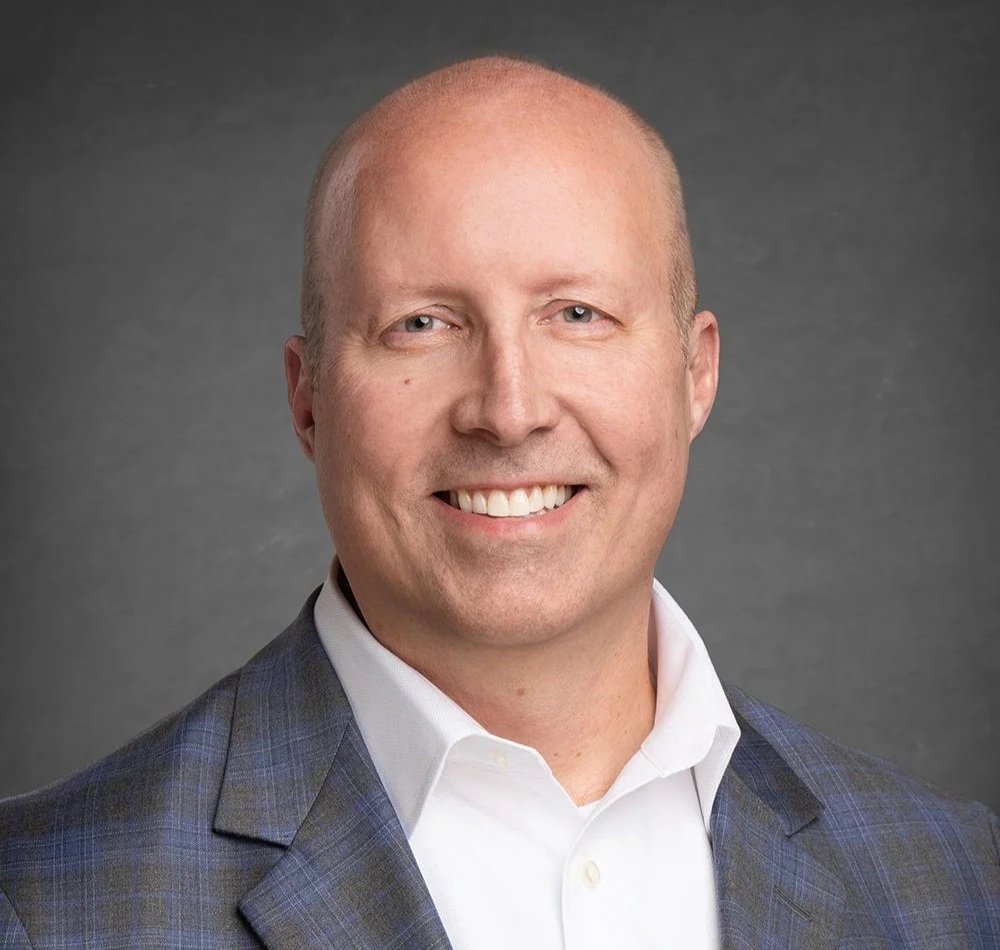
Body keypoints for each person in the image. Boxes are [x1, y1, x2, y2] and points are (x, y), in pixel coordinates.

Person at [1, 56, 997, 949]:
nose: (508, 410)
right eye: (421, 324)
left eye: (577, 314)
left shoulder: (957, 881)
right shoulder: (45, 904)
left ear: (694, 375)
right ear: (308, 401)